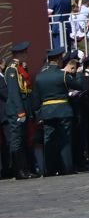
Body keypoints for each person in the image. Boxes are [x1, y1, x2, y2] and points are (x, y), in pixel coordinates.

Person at [32, 50, 75, 175]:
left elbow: (36, 99)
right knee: (65, 139)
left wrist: (38, 114)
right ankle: (67, 168)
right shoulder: (62, 75)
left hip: (47, 111)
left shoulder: (40, 76)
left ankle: (49, 169)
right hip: (63, 110)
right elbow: (79, 85)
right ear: (58, 60)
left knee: (48, 140)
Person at [3, 43, 33, 179]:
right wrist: (20, 111)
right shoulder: (12, 69)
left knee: (22, 139)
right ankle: (19, 170)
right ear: (19, 54)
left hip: (22, 106)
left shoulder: (19, 68)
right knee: (16, 140)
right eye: (25, 53)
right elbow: (14, 93)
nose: (26, 55)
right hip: (16, 110)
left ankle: (25, 169)